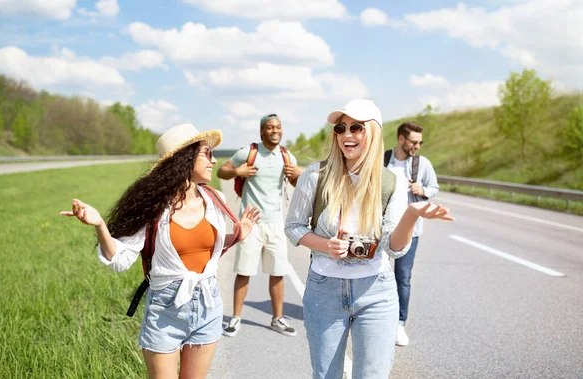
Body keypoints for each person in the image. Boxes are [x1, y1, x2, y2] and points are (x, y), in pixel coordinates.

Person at [60, 124, 260, 379]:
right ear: (185, 159)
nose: (213, 160)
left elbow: (206, 249)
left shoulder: (215, 199)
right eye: (207, 153)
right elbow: (120, 260)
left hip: (209, 304)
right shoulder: (154, 209)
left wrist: (240, 233)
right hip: (166, 309)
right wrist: (100, 224)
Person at [284, 99, 454, 379]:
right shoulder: (315, 176)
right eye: (341, 128)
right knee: (326, 375)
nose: (347, 134)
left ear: (373, 132)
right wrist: (326, 245)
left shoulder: (390, 182)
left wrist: (412, 214)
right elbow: (294, 227)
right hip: (324, 289)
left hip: (376, 291)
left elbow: (393, 248)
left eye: (356, 127)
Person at [217, 113, 303, 337]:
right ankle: (235, 319)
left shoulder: (286, 156)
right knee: (244, 272)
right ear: (262, 131)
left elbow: (295, 183)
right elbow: (221, 171)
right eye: (270, 127)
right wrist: (238, 171)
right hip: (251, 224)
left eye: (278, 127)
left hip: (275, 223)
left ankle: (277, 319)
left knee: (278, 272)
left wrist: (296, 175)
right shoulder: (249, 152)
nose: (275, 131)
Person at [384, 121, 439, 347]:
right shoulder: (383, 160)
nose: (417, 146)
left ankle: (398, 324)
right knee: (377, 274)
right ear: (401, 139)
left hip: (410, 231)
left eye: (420, 142)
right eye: (414, 142)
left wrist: (422, 190)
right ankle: (377, 318)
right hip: (381, 228)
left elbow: (434, 188)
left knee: (402, 278)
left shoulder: (421, 164)